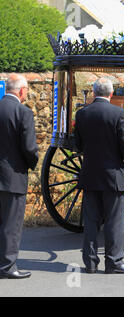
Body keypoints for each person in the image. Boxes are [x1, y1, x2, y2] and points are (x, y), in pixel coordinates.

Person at [74, 77, 124, 274]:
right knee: (114, 220)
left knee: (91, 220)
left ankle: (90, 263)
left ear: (93, 93)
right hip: (112, 175)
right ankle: (114, 262)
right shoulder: (118, 113)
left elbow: (78, 145)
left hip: (90, 173)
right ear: (111, 94)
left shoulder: (82, 114)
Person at [0, 74, 39, 279]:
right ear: (22, 90)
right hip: (13, 175)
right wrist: (32, 164)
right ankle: (8, 266)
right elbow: (29, 147)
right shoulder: (23, 112)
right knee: (11, 224)